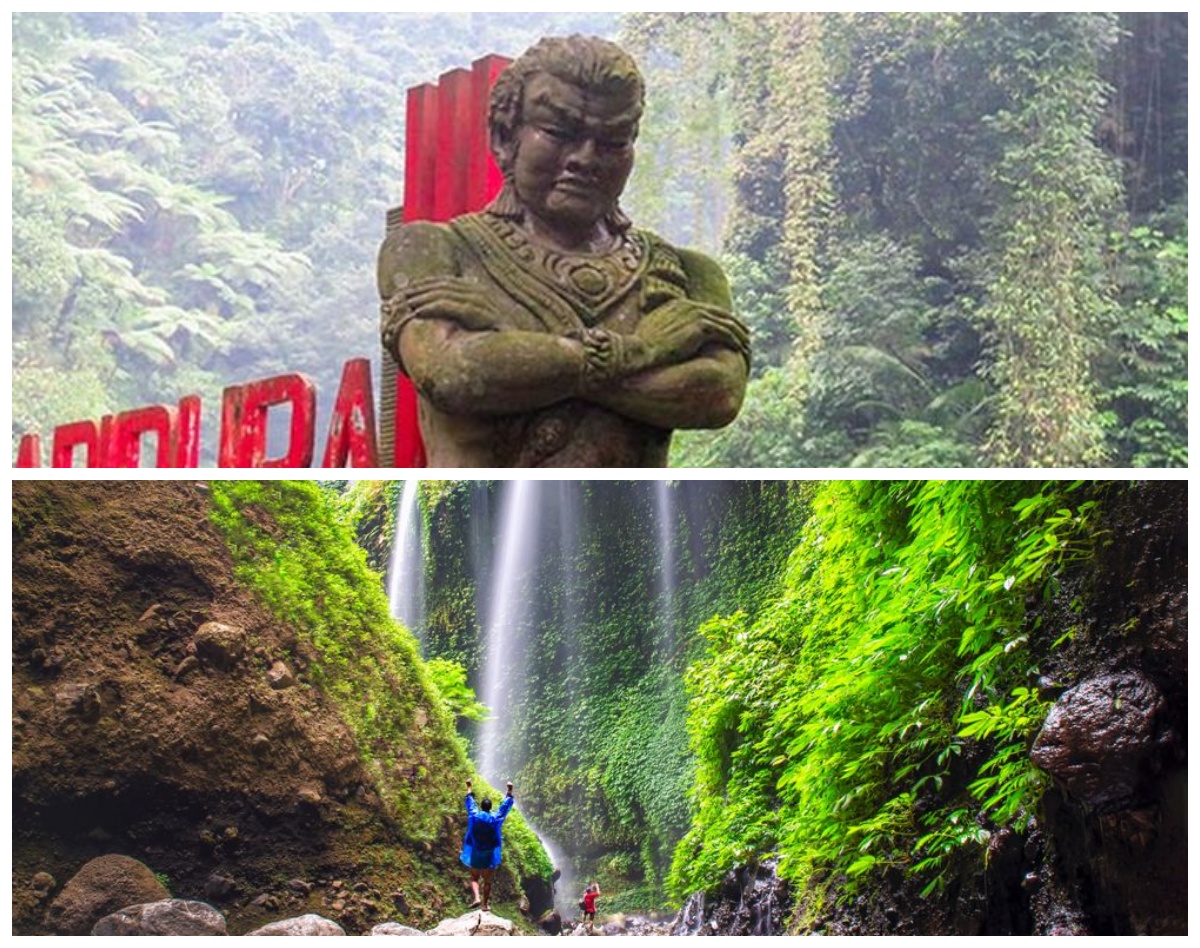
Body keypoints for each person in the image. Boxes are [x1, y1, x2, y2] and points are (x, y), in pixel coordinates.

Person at [379, 34, 750, 467]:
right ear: (504, 135)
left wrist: (513, 348)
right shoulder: (432, 248)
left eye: (612, 141)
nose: (585, 158)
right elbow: (449, 371)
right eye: (559, 132)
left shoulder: (684, 272)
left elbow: (718, 393)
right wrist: (642, 352)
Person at [460, 778, 514, 912]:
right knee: (488, 881)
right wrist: (509, 791)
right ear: (490, 808)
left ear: (481, 806)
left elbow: (470, 802)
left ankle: (476, 897)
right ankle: (484, 905)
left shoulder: (474, 815)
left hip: (476, 851)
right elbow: (504, 808)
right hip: (489, 853)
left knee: (474, 877)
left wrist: (469, 787)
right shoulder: (495, 819)